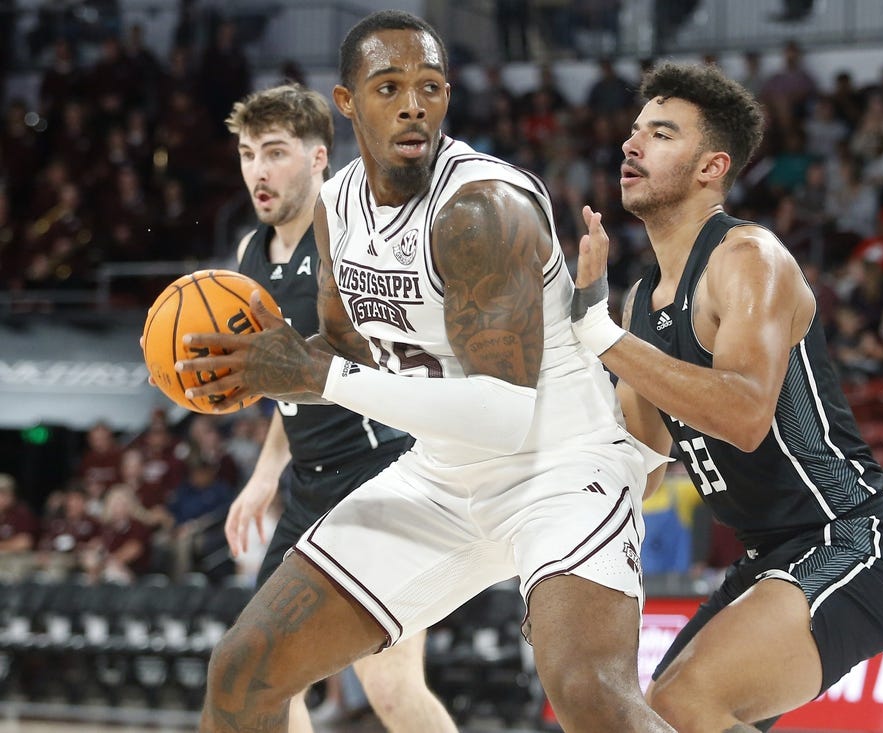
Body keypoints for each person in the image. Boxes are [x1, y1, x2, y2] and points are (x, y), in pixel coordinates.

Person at [177, 11, 674, 733]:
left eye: (431, 86)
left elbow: (505, 415)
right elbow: (340, 347)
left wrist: (316, 376)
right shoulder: (337, 206)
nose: (414, 103)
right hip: (441, 475)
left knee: (592, 698)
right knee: (242, 671)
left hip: (560, 468)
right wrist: (256, 366)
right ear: (346, 102)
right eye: (388, 86)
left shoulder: (481, 208)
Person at [568, 61, 883, 731]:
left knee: (686, 703)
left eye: (662, 133)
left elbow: (742, 415)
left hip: (852, 538)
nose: (631, 144)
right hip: (769, 555)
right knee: (646, 720)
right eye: (635, 131)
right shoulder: (640, 302)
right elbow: (637, 467)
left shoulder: (749, 258)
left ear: (712, 167)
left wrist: (596, 332)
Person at [221, 82, 458, 733]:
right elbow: (285, 386)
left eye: (274, 152)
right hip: (308, 485)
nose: (257, 171)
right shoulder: (249, 255)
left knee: (390, 685)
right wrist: (265, 475)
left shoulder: (356, 240)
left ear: (320, 157)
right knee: (263, 676)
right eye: (246, 154)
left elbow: (395, 362)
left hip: (380, 477)